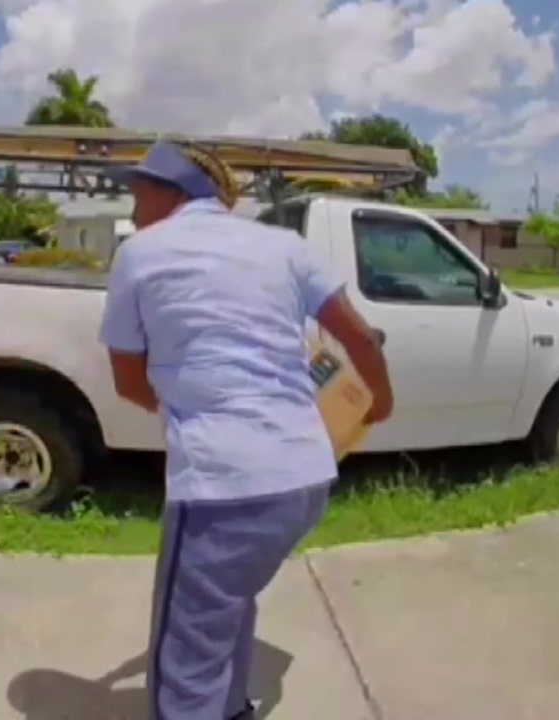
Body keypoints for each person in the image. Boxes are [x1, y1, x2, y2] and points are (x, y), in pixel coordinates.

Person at [97, 140, 394, 720]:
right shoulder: (284, 246)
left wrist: (195, 402)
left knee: (185, 661)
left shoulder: (140, 253)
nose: (132, 205)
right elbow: (360, 337)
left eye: (139, 190)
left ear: (175, 192)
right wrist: (378, 403)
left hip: (222, 488)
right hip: (305, 480)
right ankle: (231, 708)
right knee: (228, 601)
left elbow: (128, 383)